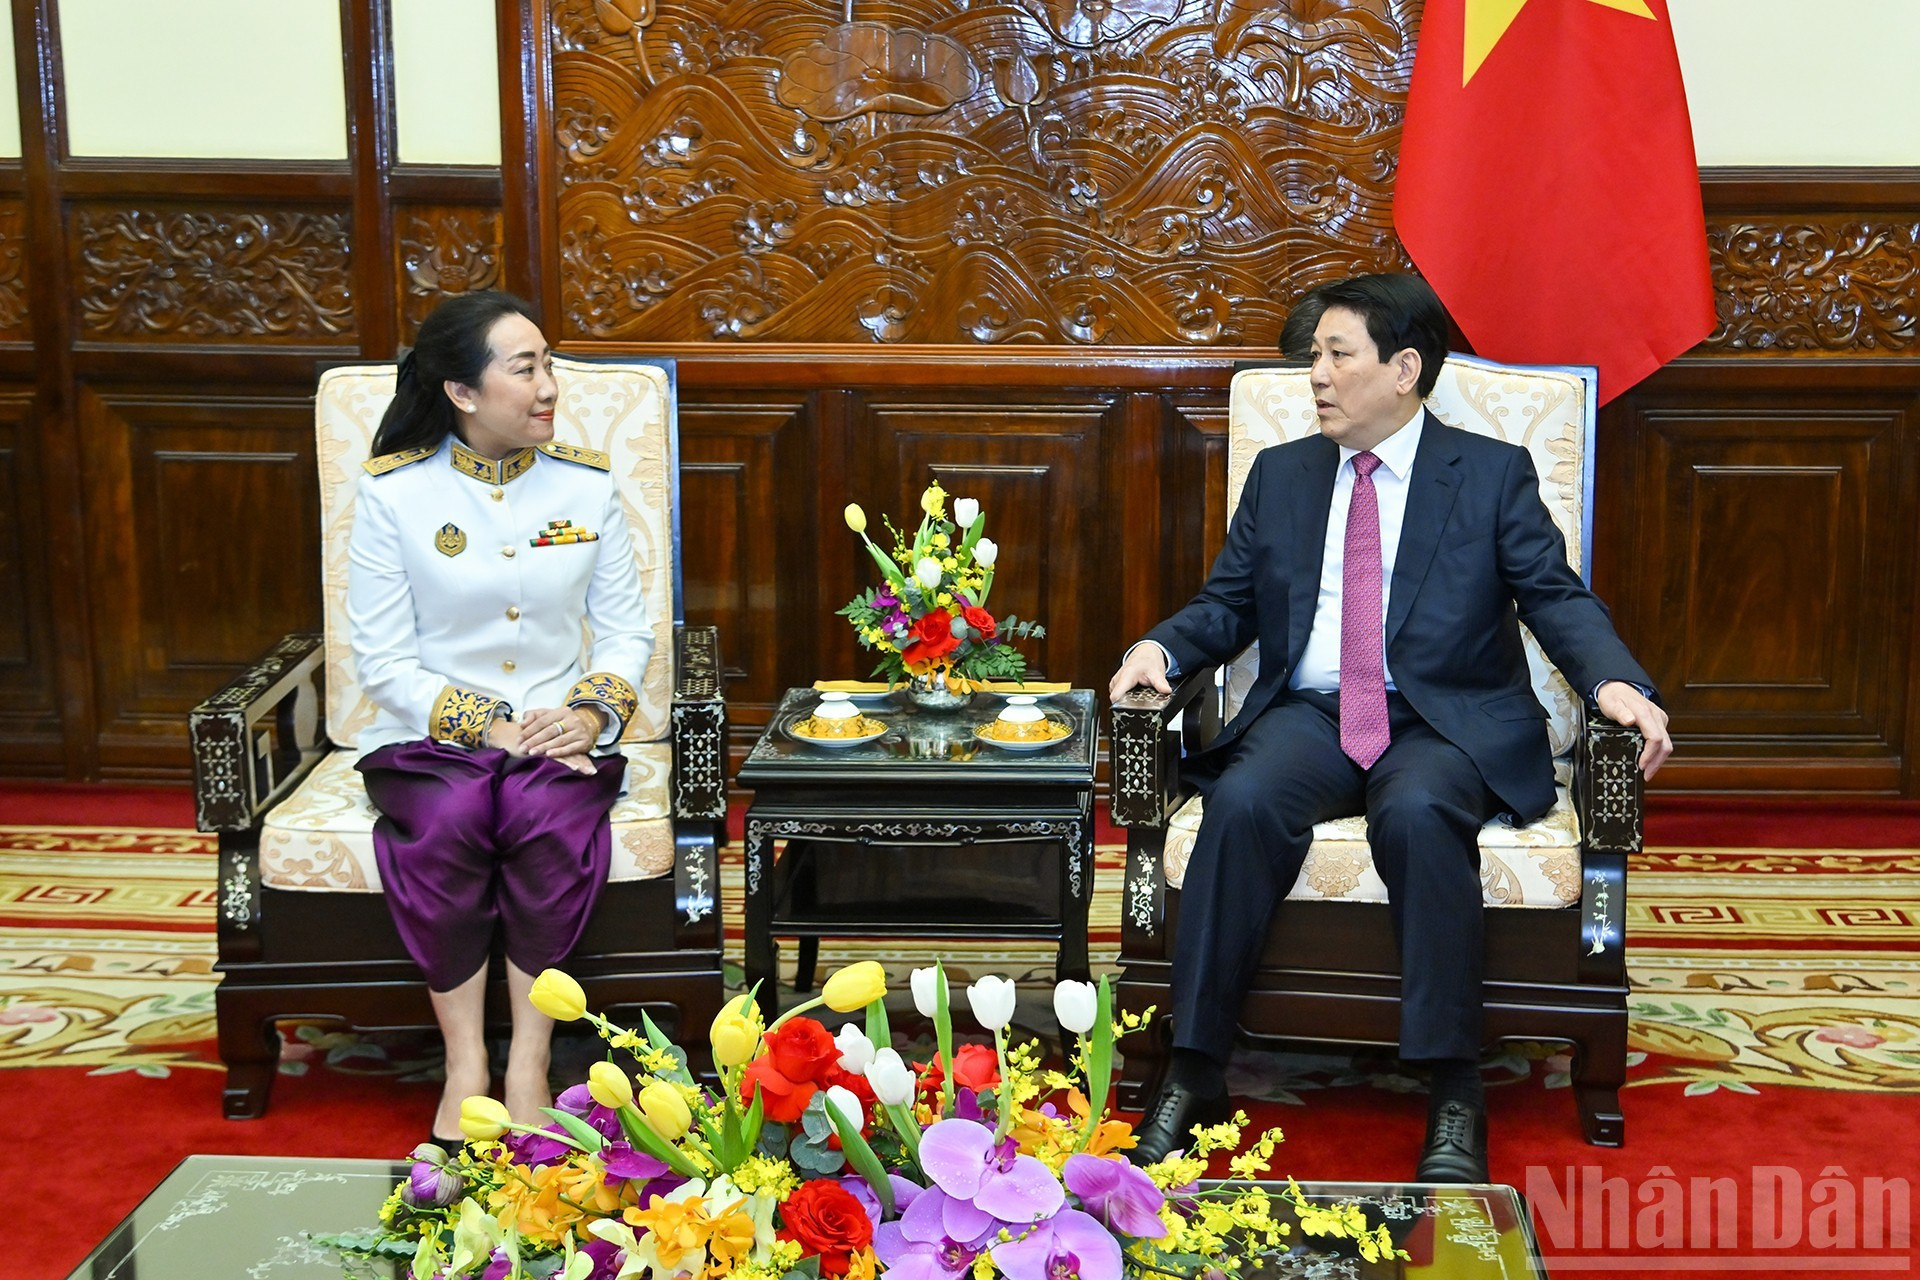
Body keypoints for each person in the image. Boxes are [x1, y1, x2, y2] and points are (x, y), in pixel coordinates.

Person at [1108, 274, 1671, 1180]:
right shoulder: (1284, 473)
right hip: (1315, 713)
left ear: (1405, 368)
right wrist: (1160, 651)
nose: (1317, 377)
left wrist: (1616, 684)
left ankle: (1454, 1088)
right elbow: (1229, 604)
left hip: (1441, 719)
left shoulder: (1488, 474)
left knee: (1417, 815)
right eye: (1312, 358)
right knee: (1244, 801)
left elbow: (1554, 597)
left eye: (1338, 355)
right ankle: (1196, 1065)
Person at [348, 291, 652, 1146]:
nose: (550, 385)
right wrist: (482, 722)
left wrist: (592, 714)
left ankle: (527, 1057)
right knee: (447, 824)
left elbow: (628, 631)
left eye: (549, 363)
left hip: (557, 730)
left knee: (542, 817)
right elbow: (383, 658)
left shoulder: (584, 487)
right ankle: (464, 1065)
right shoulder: (397, 496)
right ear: (462, 392)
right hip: (430, 739)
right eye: (526, 369)